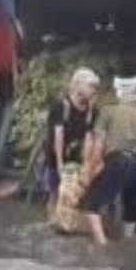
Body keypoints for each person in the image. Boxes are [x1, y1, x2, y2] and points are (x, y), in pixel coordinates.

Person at [80, 74, 136, 246]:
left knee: (91, 205)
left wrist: (88, 174)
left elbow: (98, 148)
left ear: (120, 93)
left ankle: (103, 247)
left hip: (120, 162)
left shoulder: (108, 111)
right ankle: (127, 245)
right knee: (131, 204)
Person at [42, 67, 100, 215]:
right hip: (55, 154)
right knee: (54, 191)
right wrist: (60, 163)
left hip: (76, 156)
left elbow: (89, 136)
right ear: (78, 85)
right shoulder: (61, 106)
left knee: (75, 192)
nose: (93, 90)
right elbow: (58, 135)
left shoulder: (92, 110)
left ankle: (69, 222)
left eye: (95, 87)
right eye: (90, 86)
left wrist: (87, 163)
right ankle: (53, 223)